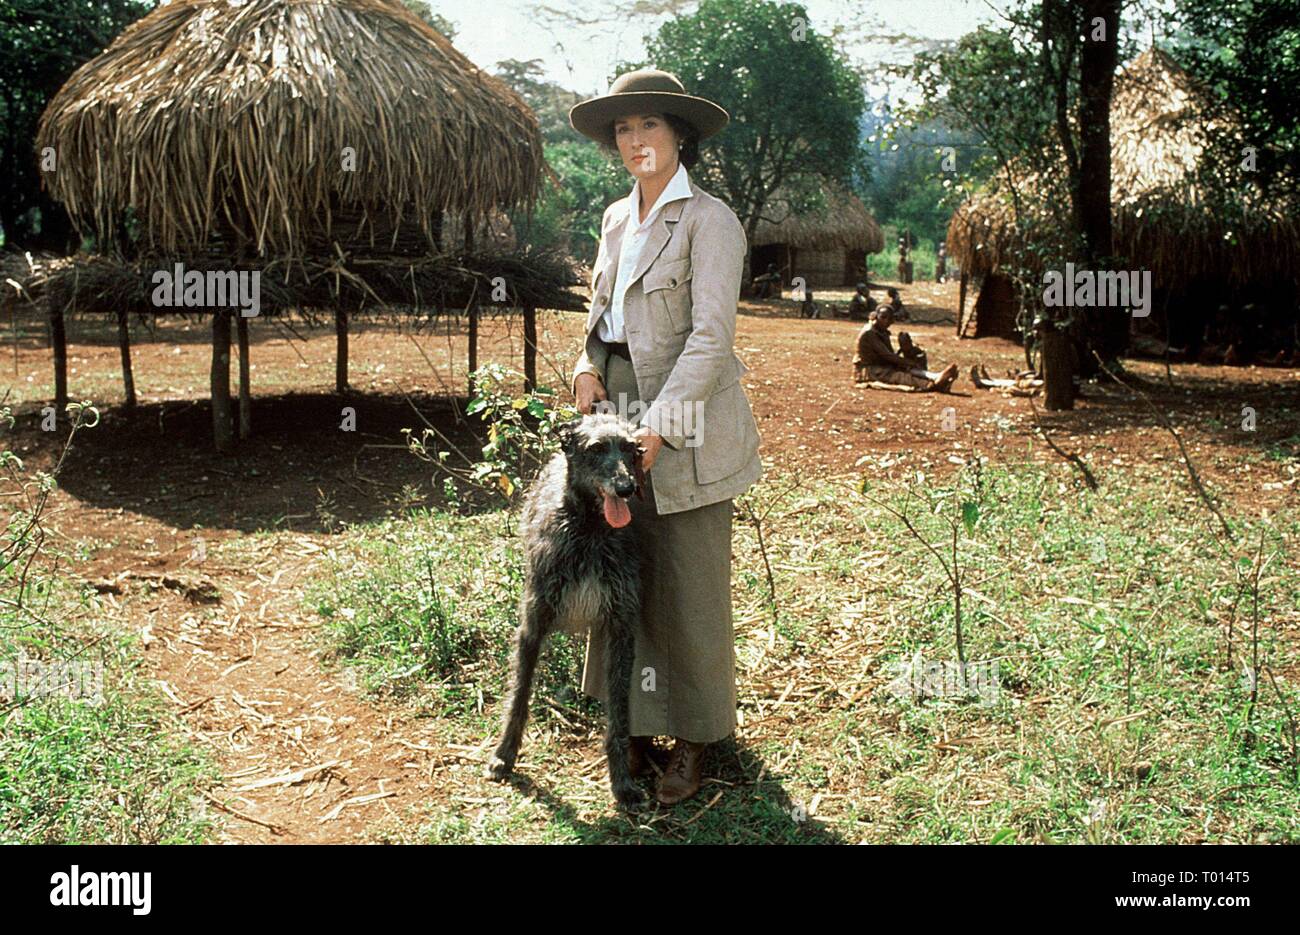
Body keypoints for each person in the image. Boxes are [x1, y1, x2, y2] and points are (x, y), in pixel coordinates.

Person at [568, 69, 762, 805]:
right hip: (616, 413)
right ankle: (635, 724)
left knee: (688, 580)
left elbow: (710, 340)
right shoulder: (619, 219)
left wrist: (659, 428)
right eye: (623, 129)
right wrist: (586, 365)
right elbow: (601, 314)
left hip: (685, 417)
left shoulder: (711, 221)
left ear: (679, 134)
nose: (635, 141)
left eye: (649, 125)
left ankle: (695, 739)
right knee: (623, 568)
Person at [853, 306, 957, 390]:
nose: (886, 321)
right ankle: (934, 383)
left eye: (889, 319)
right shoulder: (870, 332)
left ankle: (935, 376)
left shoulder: (881, 331)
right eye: (883, 317)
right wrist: (908, 362)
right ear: (876, 316)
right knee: (901, 377)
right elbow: (887, 355)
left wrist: (907, 351)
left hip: (881, 366)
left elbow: (889, 355)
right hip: (868, 370)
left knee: (905, 368)